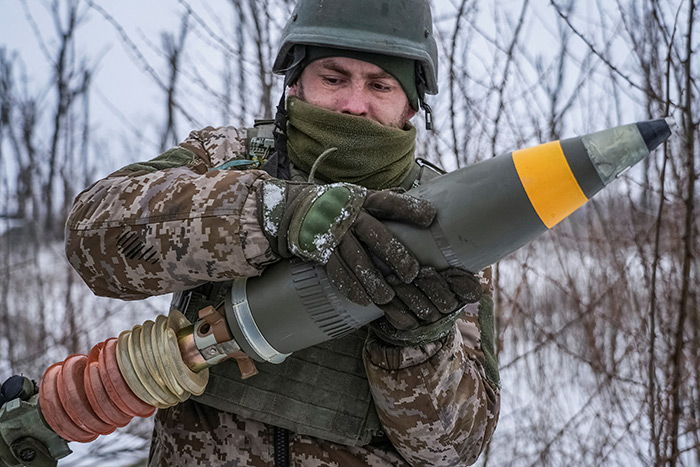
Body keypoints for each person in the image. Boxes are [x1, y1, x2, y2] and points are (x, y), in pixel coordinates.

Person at [64, 0, 501, 465]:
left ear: (412, 104)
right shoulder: (225, 157)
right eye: (333, 78)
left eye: (380, 85)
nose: (354, 104)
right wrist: (270, 214)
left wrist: (418, 344)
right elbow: (92, 239)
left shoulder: (443, 219)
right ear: (295, 81)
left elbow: (455, 449)